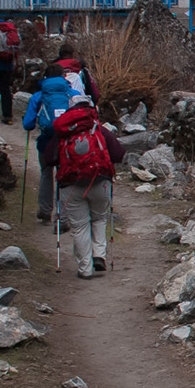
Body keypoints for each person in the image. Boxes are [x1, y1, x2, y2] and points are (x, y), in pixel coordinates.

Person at [51, 94, 124, 278]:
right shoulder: (98, 128)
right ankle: (99, 256)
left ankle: (85, 268)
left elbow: (49, 158)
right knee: (99, 219)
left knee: (80, 226)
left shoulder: (63, 130)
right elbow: (118, 154)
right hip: (100, 182)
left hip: (71, 185)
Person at [23, 64, 82, 222]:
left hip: (46, 143)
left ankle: (44, 210)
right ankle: (63, 215)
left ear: (45, 78)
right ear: (64, 77)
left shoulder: (39, 96)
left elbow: (28, 124)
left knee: (46, 174)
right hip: (68, 144)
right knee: (66, 177)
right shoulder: (73, 94)